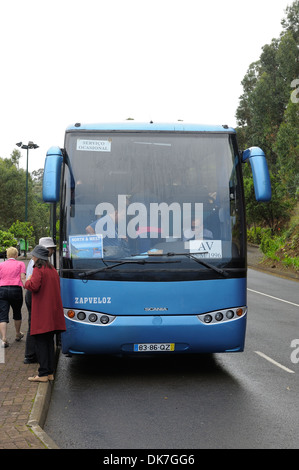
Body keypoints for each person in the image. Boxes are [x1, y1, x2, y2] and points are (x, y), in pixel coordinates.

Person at [24, 245, 66, 382]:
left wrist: (26, 281)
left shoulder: (38, 269)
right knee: (49, 343)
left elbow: (34, 286)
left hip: (42, 313)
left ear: (37, 257)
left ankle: (42, 374)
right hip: (52, 313)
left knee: (41, 343)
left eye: (34, 255)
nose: (32, 257)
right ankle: (49, 372)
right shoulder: (52, 269)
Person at [24, 237, 56, 364]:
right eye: (50, 249)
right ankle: (31, 355)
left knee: (35, 324)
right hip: (33, 294)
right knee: (34, 324)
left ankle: (33, 354)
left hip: (34, 292)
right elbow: (33, 284)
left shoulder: (41, 263)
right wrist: (26, 282)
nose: (52, 251)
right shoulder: (38, 264)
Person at [0, 247, 26, 348]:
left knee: (2, 315)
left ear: (7, 255)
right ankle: (17, 333)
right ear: (16, 255)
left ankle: (4, 338)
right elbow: (23, 277)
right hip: (16, 290)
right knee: (17, 312)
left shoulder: (1, 265)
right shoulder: (21, 264)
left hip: (2, 290)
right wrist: (26, 286)